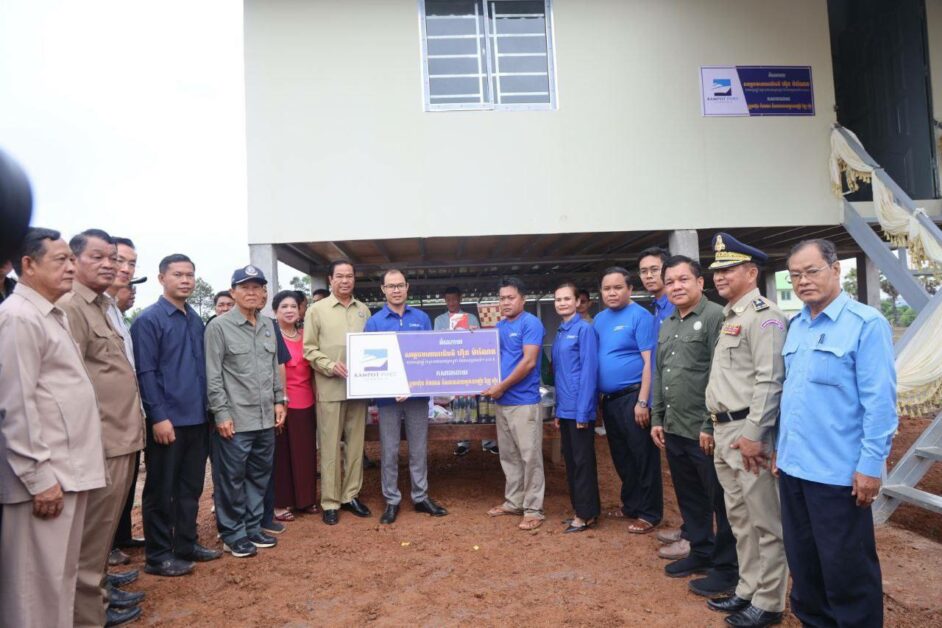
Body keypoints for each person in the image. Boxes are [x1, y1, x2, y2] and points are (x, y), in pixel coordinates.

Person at [776, 239, 897, 628]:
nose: (803, 281)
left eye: (811, 271)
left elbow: (880, 404)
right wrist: (780, 450)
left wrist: (871, 466)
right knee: (805, 567)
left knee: (847, 571)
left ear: (835, 269)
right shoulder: (796, 326)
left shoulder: (866, 324)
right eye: (795, 275)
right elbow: (792, 397)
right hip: (794, 470)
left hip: (838, 476)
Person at [0, 228, 107, 628]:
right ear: (28, 265)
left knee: (58, 582)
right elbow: (16, 404)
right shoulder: (18, 318)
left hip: (68, 473)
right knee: (33, 592)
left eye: (71, 259)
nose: (71, 267)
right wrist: (39, 476)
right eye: (61, 260)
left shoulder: (49, 314)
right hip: (44, 480)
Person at [58, 228, 146, 627]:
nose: (111, 265)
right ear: (74, 260)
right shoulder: (71, 307)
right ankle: (89, 613)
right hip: (100, 441)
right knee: (89, 538)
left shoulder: (100, 306)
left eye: (114, 257)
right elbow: (66, 382)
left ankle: (100, 599)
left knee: (102, 533)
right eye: (100, 257)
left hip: (121, 437)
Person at [704, 233, 788, 627]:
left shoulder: (765, 316)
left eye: (729, 269)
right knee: (740, 519)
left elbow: (770, 381)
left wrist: (754, 434)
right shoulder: (732, 316)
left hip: (747, 433)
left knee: (765, 522)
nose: (719, 276)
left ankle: (769, 602)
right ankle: (748, 589)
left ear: (751, 272)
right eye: (717, 271)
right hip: (725, 431)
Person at [649, 256, 738, 597]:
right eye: (670, 281)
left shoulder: (716, 317)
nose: (676, 286)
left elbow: (720, 375)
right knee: (690, 498)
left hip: (704, 431)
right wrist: (658, 418)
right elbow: (661, 373)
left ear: (700, 282)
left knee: (721, 502)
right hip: (675, 428)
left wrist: (709, 425)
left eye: (683, 279)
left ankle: (727, 568)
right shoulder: (668, 322)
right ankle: (701, 552)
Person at [132, 254, 221, 577]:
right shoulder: (149, 320)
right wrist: (158, 416)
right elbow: (145, 372)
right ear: (161, 279)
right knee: (160, 489)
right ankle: (158, 555)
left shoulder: (194, 319)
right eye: (178, 275)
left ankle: (186, 543)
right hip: (168, 421)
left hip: (197, 418)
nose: (185, 280)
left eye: (190, 275)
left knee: (190, 488)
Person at [205, 265, 286, 558]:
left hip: (265, 417)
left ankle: (252, 527)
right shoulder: (219, 327)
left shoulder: (268, 325)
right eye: (245, 287)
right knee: (231, 479)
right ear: (233, 292)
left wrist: (279, 400)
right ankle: (233, 534)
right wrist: (221, 413)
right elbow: (213, 375)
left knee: (259, 476)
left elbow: (273, 368)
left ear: (264, 293)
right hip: (236, 419)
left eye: (257, 287)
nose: (252, 293)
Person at [365, 270, 448, 524]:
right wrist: (390, 387)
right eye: (391, 286)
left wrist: (411, 386)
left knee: (418, 449)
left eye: (400, 285)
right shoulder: (374, 322)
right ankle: (391, 500)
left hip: (417, 396)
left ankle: (420, 497)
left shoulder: (421, 318)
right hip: (388, 399)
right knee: (389, 450)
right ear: (383, 289)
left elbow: (429, 356)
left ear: (407, 287)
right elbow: (370, 361)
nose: (396, 290)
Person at [303, 260, 372, 525]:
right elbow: (309, 349)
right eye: (340, 276)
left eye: (349, 276)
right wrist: (330, 366)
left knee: (355, 445)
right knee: (330, 446)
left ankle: (350, 495)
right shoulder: (316, 310)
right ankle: (330, 501)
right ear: (330, 280)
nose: (345, 281)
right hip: (330, 388)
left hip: (359, 389)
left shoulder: (363, 310)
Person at [594, 266, 660, 533]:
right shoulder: (599, 319)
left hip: (633, 397)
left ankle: (650, 513)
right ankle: (631, 505)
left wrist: (643, 401)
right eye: (607, 288)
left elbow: (650, 363)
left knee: (642, 456)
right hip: (610, 400)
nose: (612, 293)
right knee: (621, 456)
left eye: (618, 287)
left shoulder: (640, 317)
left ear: (630, 289)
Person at [483, 276, 546, 531]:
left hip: (524, 402)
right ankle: (514, 502)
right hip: (503, 401)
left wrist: (502, 386)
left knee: (530, 457)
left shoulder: (531, 323)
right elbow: (487, 355)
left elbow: (529, 362)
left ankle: (533, 509)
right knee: (509, 456)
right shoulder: (499, 326)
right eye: (502, 298)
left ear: (523, 299)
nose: (506, 302)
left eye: (511, 297)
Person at [638, 246, 687, 556]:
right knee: (679, 472)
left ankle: (697, 536)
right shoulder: (658, 309)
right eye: (644, 271)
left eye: (654, 270)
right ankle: (689, 527)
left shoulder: (676, 306)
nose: (649, 276)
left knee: (692, 473)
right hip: (666, 402)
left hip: (683, 404)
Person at [106, 237, 144, 568]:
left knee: (121, 493)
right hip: (104, 426)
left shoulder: (116, 315)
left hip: (127, 423)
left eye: (131, 263)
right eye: (119, 260)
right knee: (100, 503)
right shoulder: (78, 308)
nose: (125, 269)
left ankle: (104, 568)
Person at [550, 281, 600, 533]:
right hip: (566, 408)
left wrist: (583, 411)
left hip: (580, 410)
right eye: (558, 299)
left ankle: (586, 514)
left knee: (583, 463)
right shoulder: (561, 331)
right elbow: (560, 374)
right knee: (572, 462)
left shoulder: (584, 330)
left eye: (567, 299)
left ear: (578, 301)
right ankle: (581, 509)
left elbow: (589, 372)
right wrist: (559, 410)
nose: (562, 303)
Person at [270, 290, 319, 521]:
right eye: (284, 307)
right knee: (282, 455)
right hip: (281, 403)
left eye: (293, 306)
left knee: (306, 453)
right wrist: (279, 400)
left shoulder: (306, 335)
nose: (289, 310)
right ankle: (281, 503)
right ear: (275, 311)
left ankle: (306, 499)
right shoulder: (270, 336)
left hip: (306, 401)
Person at [435, 286, 497, 457]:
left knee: (481, 404)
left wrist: (474, 333)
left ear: (460, 299)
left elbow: (480, 341)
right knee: (459, 406)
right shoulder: (439, 320)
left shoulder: (471, 318)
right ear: (444, 300)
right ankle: (463, 442)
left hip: (472, 367)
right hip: (452, 368)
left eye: (454, 299)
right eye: (448, 299)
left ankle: (488, 441)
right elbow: (435, 342)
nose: (451, 303)